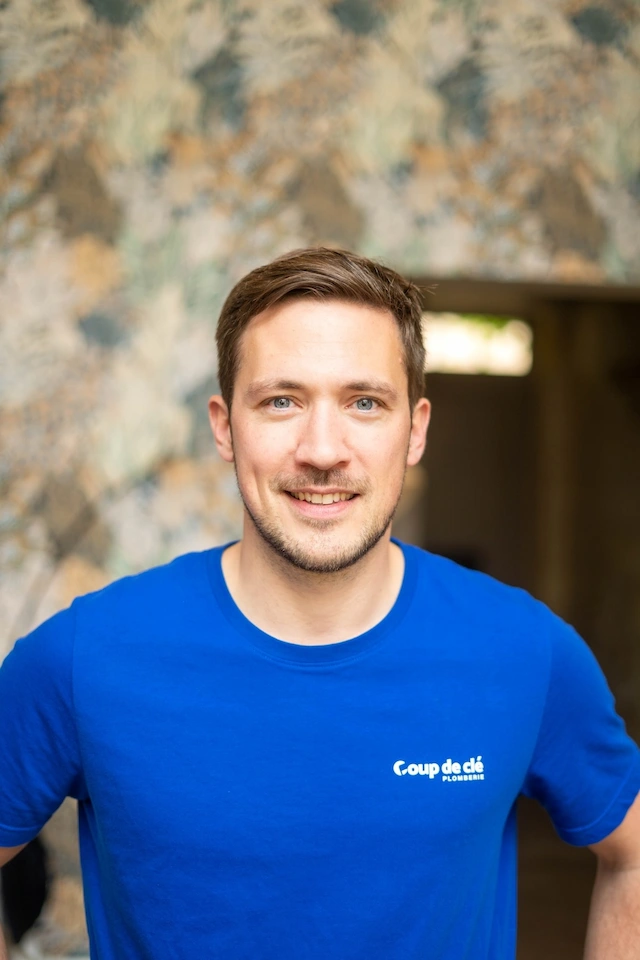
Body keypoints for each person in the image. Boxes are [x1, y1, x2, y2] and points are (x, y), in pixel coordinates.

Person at [0, 247, 639, 960]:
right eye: (282, 401)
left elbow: (634, 855)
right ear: (223, 426)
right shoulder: (82, 658)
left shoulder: (526, 652)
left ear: (416, 429)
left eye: (365, 402)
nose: (323, 449)